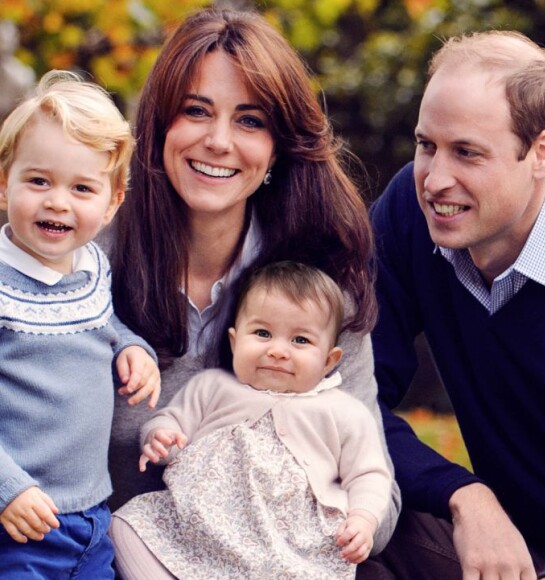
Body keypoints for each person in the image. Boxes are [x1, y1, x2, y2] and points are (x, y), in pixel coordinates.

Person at [106, 7, 401, 563]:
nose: (218, 141)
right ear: (159, 125)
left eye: (249, 120)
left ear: (277, 147)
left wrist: (270, 538)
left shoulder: (321, 280)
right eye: (196, 111)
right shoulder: (89, 256)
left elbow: (375, 491)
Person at [369, 30, 545, 580]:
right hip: (497, 548)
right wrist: (464, 495)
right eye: (426, 146)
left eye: (467, 152)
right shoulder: (410, 216)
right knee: (331, 511)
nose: (436, 180)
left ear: (541, 154)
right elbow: (344, 395)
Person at [109, 261, 395, 580]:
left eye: (300, 340)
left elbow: (369, 474)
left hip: (292, 543)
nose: (277, 351)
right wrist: (161, 438)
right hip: (199, 530)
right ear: (234, 341)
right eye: (262, 333)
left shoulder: (342, 411)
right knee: (125, 525)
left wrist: (363, 519)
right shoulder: (212, 387)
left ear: (330, 360)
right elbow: (172, 425)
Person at [0, 70, 161, 578]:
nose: (58, 201)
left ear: (113, 202)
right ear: (4, 185)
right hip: (18, 521)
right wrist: (8, 487)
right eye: (38, 180)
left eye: (82, 188)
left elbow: (105, 325)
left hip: (92, 516)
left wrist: (132, 350)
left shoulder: (90, 267)